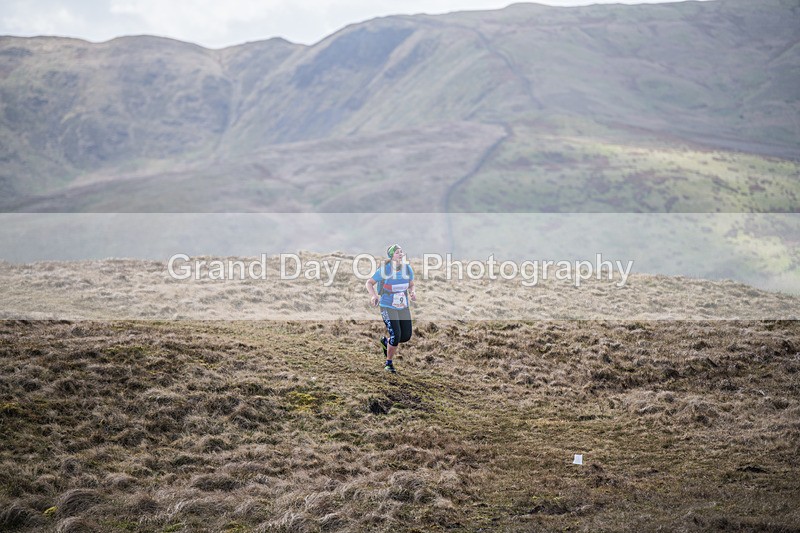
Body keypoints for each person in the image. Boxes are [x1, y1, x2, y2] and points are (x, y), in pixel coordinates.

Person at [365, 244, 416, 373]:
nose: (400, 254)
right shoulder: (385, 269)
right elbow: (369, 283)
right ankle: (389, 363)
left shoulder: (407, 268)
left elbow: (411, 284)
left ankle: (386, 342)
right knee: (396, 335)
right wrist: (374, 296)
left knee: (406, 336)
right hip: (387, 306)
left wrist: (412, 292)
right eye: (397, 252)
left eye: (401, 252)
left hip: (403, 306)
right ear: (392, 255)